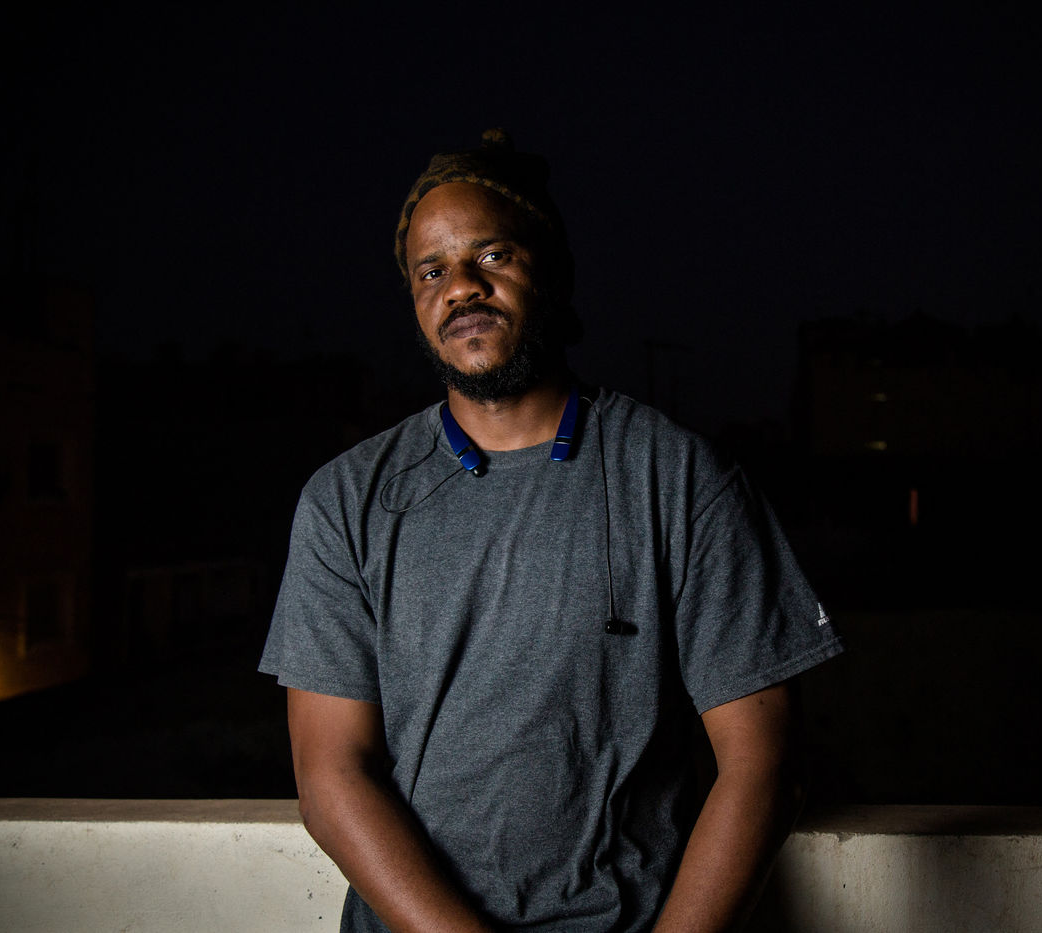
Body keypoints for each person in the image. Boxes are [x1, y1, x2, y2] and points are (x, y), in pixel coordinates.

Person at [259, 129, 843, 932]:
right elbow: (331, 775)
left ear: (552, 269)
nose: (461, 287)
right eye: (431, 271)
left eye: (491, 255)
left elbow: (764, 764)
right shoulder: (346, 499)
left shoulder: (680, 477)